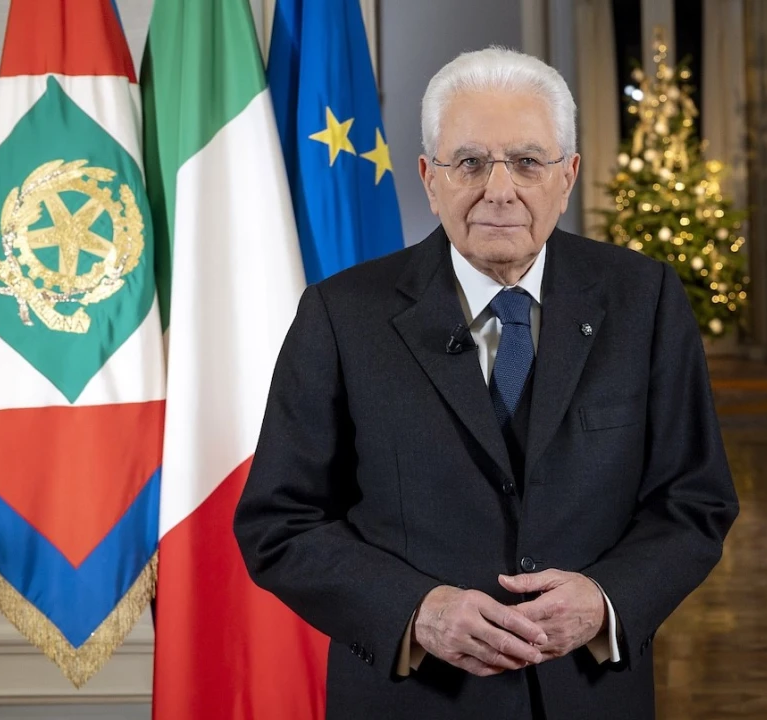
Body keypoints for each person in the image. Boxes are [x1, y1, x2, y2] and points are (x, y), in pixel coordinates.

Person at [234, 46, 739, 720]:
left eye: (527, 162)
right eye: (469, 162)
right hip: (412, 700)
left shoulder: (644, 299)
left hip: (589, 696)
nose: (499, 190)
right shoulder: (341, 314)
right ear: (429, 177)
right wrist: (416, 611)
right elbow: (279, 522)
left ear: (568, 175)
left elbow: (695, 500)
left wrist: (606, 600)